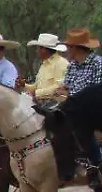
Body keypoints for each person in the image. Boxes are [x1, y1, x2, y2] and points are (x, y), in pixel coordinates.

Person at [58, 28, 102, 172]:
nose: (67, 50)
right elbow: (66, 87)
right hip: (73, 107)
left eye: (69, 47)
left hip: (92, 111)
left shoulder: (98, 64)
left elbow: (96, 91)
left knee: (83, 129)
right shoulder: (72, 66)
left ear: (76, 48)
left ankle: (96, 162)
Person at [24, 33, 69, 105]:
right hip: (41, 104)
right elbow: (37, 86)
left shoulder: (61, 63)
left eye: (38, 48)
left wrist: (36, 93)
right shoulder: (44, 64)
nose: (36, 51)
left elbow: (59, 87)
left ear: (43, 49)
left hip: (54, 106)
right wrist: (23, 85)